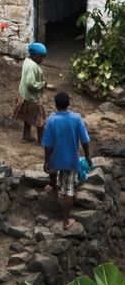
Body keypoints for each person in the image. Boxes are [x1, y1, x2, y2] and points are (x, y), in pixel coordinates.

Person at [41, 90, 91, 218]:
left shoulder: (51, 120)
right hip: (71, 160)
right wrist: (87, 156)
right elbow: (85, 141)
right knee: (69, 189)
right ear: (69, 104)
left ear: (56, 105)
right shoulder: (77, 119)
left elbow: (48, 145)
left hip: (55, 159)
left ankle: (54, 188)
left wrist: (46, 161)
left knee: (52, 171)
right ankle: (66, 221)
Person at [13, 41, 49, 143]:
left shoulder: (27, 61)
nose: (43, 59)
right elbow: (30, 84)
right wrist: (42, 84)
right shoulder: (33, 67)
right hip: (32, 98)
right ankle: (42, 140)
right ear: (35, 56)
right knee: (40, 120)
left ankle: (26, 137)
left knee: (27, 117)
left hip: (24, 96)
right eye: (41, 57)